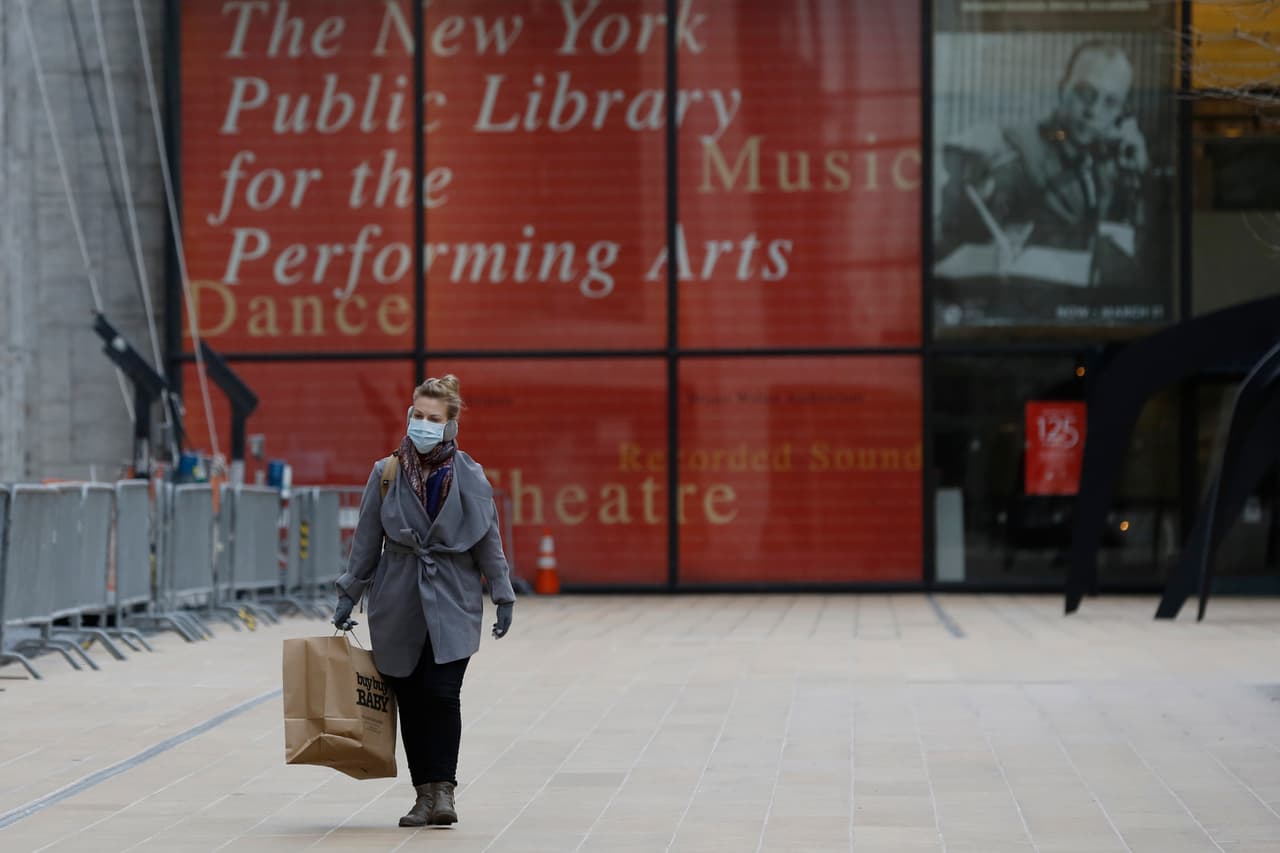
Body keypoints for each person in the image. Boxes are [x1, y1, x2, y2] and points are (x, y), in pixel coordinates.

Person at [332, 374, 515, 828]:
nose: (424, 424)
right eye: (418, 415)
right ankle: (422, 795)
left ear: (451, 424)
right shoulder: (386, 472)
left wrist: (503, 593)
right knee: (411, 697)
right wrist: (348, 594)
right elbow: (366, 540)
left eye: (434, 418)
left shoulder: (470, 476)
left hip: (453, 596)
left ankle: (445, 791)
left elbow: (489, 540)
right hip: (397, 599)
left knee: (442, 693)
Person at [936, 40, 1153, 288]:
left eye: (1110, 102)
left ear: (1121, 112)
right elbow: (970, 230)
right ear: (1063, 89)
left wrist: (1142, 175)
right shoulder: (1026, 143)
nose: (1093, 111)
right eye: (1085, 93)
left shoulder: (1116, 159)